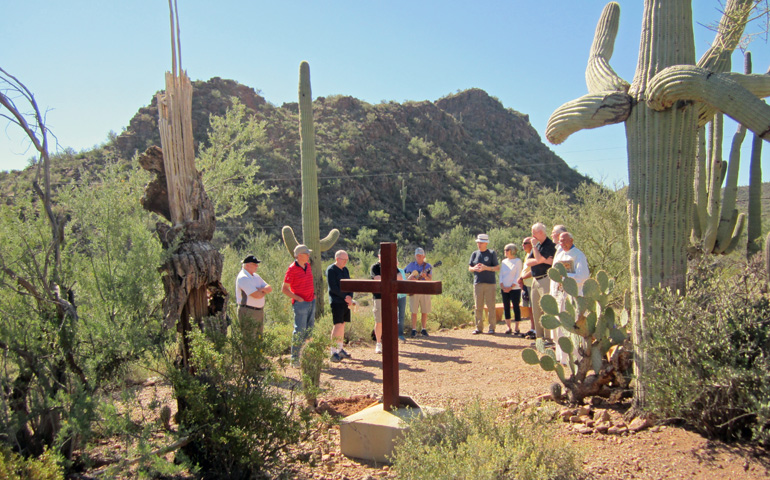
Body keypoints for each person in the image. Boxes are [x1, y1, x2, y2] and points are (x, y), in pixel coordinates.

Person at [551, 232, 590, 364]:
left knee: (573, 325)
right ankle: (562, 358)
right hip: (561, 295)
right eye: (560, 241)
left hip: (573, 296)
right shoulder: (560, 254)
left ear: (571, 240)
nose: (561, 243)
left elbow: (583, 275)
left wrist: (566, 278)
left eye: (564, 240)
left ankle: (576, 358)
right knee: (561, 327)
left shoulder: (578, 255)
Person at [281, 244, 315, 364]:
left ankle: (307, 356)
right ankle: (295, 358)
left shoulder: (308, 266)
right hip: (301, 304)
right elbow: (284, 289)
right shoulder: (292, 269)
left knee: (309, 329)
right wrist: (297, 298)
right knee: (300, 330)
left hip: (311, 301)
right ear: (299, 255)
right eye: (306, 253)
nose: (308, 255)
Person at [525, 223, 557, 346]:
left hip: (545, 278)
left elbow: (538, 259)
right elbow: (529, 261)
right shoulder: (537, 245)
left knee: (546, 308)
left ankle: (549, 339)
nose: (532, 235)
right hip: (535, 279)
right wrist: (540, 259)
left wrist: (538, 257)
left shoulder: (550, 245)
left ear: (540, 232)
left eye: (534, 232)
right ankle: (540, 338)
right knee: (536, 309)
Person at [235, 254, 273, 342]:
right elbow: (256, 295)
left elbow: (269, 288)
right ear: (247, 265)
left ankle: (258, 356)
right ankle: (248, 356)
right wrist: (264, 291)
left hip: (258, 311)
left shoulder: (255, 276)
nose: (257, 266)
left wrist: (261, 290)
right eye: (254, 264)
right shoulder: (243, 277)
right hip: (248, 311)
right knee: (249, 338)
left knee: (258, 337)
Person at [468, 233, 500, 334]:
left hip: (490, 283)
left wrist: (486, 268)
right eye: (478, 242)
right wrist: (474, 268)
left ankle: (491, 327)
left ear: (486, 243)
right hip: (478, 283)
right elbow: (470, 268)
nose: (479, 244)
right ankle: (479, 327)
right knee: (478, 306)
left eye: (481, 242)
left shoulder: (491, 253)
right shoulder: (474, 254)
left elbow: (497, 268)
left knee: (491, 306)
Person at [326, 250, 354, 363]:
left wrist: (350, 297)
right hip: (337, 301)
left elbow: (349, 284)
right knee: (337, 325)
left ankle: (340, 348)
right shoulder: (331, 270)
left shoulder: (345, 270)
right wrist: (345, 297)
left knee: (342, 325)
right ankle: (333, 352)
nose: (346, 262)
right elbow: (334, 288)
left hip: (345, 302)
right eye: (344, 259)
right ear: (337, 259)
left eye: (347, 259)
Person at [405, 247, 432, 337]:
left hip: (424, 290)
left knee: (424, 310)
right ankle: (414, 329)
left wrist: (425, 277)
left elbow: (430, 280)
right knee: (414, 311)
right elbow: (403, 275)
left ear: (423, 256)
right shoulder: (411, 265)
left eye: (420, 255)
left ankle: (423, 329)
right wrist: (410, 277)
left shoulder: (428, 266)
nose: (419, 257)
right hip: (414, 290)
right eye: (417, 255)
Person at [499, 243, 523, 335]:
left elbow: (518, 274)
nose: (505, 252)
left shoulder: (518, 261)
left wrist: (511, 286)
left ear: (512, 251)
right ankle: (508, 327)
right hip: (504, 287)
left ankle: (517, 327)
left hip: (515, 288)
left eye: (507, 250)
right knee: (506, 307)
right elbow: (501, 274)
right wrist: (502, 285)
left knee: (516, 306)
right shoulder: (504, 261)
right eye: (505, 250)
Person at [518, 238, 537, 339]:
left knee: (534, 308)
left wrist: (522, 277)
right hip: (526, 284)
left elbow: (534, 270)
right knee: (529, 307)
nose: (523, 245)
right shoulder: (527, 255)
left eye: (525, 243)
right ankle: (532, 328)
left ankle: (537, 330)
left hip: (532, 284)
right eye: (523, 243)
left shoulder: (534, 254)